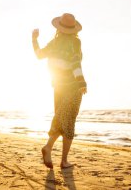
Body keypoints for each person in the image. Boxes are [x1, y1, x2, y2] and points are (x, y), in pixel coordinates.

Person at [32, 13, 87, 169]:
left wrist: (34, 39)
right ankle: (63, 160)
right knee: (69, 122)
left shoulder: (54, 42)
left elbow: (39, 55)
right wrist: (81, 82)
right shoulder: (75, 42)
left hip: (58, 86)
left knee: (60, 118)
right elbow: (76, 62)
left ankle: (49, 147)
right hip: (72, 87)